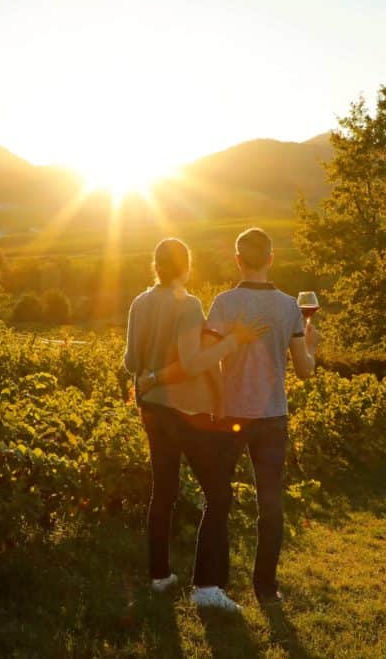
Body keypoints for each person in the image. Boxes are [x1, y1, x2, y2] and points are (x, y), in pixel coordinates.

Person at [142, 227, 322, 606]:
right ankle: (266, 590)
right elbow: (305, 371)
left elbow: (208, 359)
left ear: (238, 260)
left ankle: (208, 584)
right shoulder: (291, 306)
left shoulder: (223, 303)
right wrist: (312, 343)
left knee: (217, 499)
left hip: (228, 416)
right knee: (270, 504)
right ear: (272, 259)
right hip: (272, 416)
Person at [123, 237, 264, 612]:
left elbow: (130, 362)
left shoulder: (139, 303)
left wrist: (151, 376)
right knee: (218, 495)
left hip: (151, 408)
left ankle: (160, 577)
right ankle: (206, 587)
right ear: (186, 266)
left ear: (155, 266)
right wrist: (233, 341)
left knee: (163, 491)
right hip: (186, 411)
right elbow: (192, 363)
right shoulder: (188, 305)